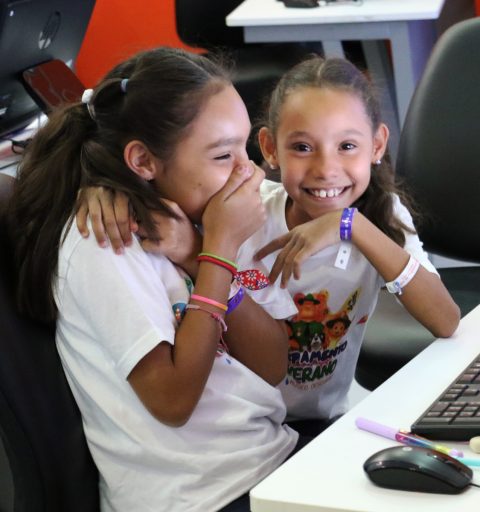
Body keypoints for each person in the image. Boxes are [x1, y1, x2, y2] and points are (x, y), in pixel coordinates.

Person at [78, 56, 462, 439]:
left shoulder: (381, 216)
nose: (326, 168)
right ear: (269, 147)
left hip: (318, 424)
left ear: (377, 144)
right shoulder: (241, 207)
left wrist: (352, 225)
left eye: (347, 145)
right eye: (302, 147)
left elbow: (445, 319)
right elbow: (161, 183)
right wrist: (104, 187)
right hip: (245, 427)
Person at [5, 47, 298, 512]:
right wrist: (218, 251)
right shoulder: (104, 239)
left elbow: (273, 365)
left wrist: (198, 254)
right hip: (198, 497)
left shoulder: (205, 218)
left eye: (243, 148)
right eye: (224, 154)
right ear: (143, 161)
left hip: (265, 463)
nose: (250, 171)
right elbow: (173, 401)